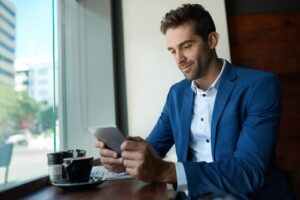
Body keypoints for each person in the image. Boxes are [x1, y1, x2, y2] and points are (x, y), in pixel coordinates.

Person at [95, 4, 292, 200]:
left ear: (212, 40)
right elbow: (153, 149)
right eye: (172, 51)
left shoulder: (259, 86)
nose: (179, 59)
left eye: (186, 46)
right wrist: (125, 160)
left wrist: (167, 172)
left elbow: (248, 171)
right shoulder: (177, 94)